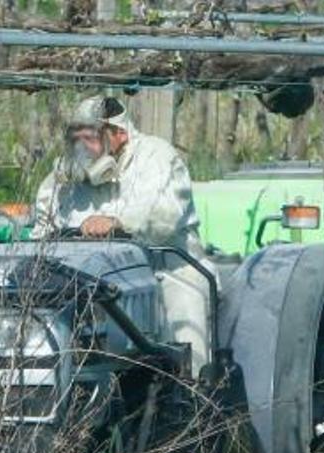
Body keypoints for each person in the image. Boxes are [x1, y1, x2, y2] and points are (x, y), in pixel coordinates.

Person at [33, 95, 215, 377]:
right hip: (88, 284)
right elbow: (43, 227)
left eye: (90, 137)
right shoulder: (63, 176)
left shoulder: (157, 156)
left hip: (167, 270)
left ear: (119, 134)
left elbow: (164, 216)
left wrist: (119, 222)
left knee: (186, 327)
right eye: (76, 138)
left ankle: (194, 394)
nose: (82, 147)